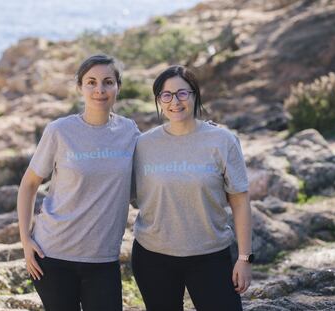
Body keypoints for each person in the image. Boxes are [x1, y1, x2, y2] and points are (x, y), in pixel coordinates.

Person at [17, 54, 140, 311]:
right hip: (52, 255)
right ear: (80, 87)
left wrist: (199, 133)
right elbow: (29, 184)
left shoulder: (129, 132)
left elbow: (156, 164)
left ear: (118, 86)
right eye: (91, 82)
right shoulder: (60, 131)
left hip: (103, 259)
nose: (99, 89)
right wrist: (26, 241)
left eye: (108, 82)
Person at [131, 65, 253, 311]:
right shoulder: (142, 145)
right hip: (153, 257)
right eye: (166, 95)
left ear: (195, 95)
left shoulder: (222, 141)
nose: (174, 101)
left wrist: (244, 259)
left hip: (210, 255)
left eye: (182, 93)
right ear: (158, 100)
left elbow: (240, 201)